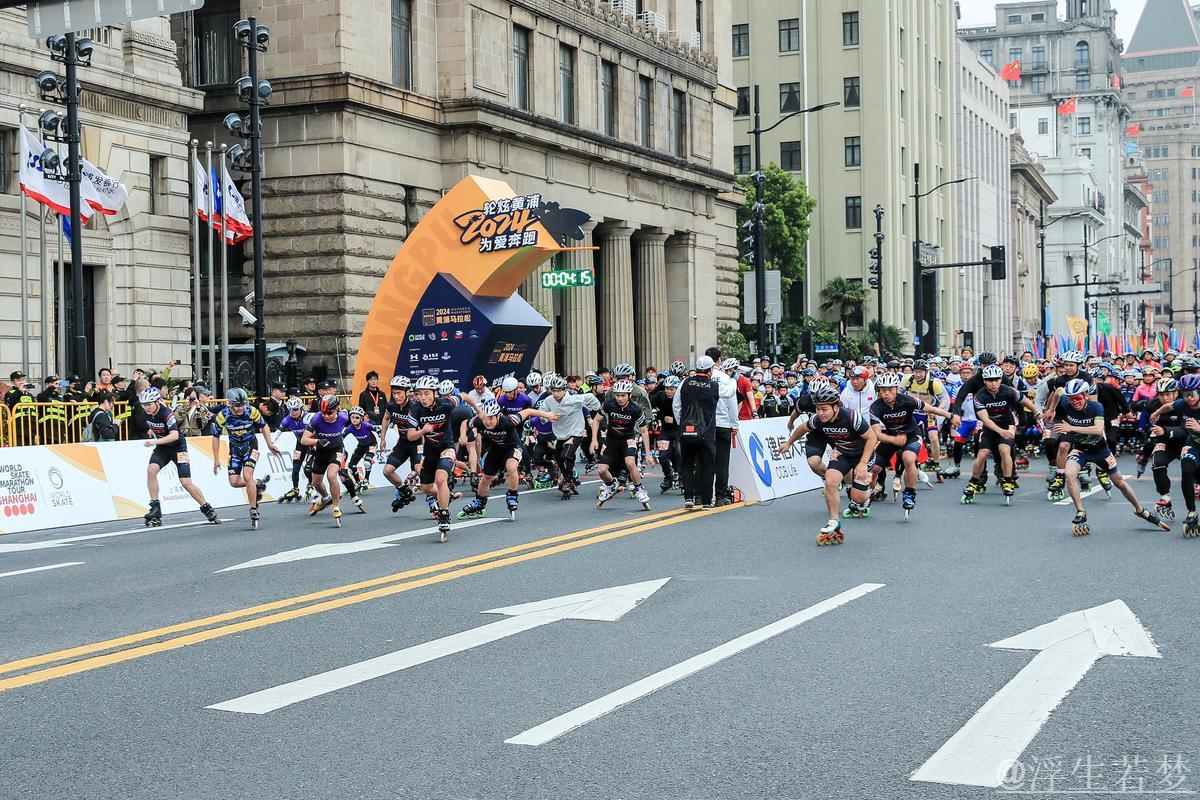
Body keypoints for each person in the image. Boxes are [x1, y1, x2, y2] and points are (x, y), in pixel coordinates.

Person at [1056, 378, 1169, 536]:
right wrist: (1049, 409)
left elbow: (1097, 429)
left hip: (1101, 451)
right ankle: (1080, 511)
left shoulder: (1096, 407)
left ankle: (1140, 509)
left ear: (1086, 396)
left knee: (1120, 483)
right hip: (1081, 450)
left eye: (1078, 398)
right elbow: (1059, 391)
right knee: (1069, 474)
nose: (1074, 402)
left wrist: (1070, 427)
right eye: (1071, 398)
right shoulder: (1065, 403)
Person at [777, 385, 879, 545]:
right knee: (830, 483)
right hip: (843, 454)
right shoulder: (818, 420)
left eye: (824, 409)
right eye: (817, 409)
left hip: (862, 456)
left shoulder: (852, 417)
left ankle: (867, 494)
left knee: (857, 497)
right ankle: (834, 521)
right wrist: (789, 443)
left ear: (835, 406)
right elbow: (803, 428)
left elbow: (872, 438)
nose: (820, 413)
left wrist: (863, 464)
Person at [458, 400, 558, 520]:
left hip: (513, 446)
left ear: (498, 416)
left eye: (491, 418)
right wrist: (463, 435)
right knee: (486, 478)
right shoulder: (479, 421)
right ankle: (479, 502)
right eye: (485, 418)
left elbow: (528, 411)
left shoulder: (509, 420)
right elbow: (464, 423)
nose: (487, 422)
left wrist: (548, 415)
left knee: (511, 468)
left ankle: (512, 495)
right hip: (496, 448)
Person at [870, 373, 951, 516]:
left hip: (912, 435)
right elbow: (877, 433)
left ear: (896, 389)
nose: (887, 393)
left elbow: (931, 409)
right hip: (891, 438)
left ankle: (909, 493)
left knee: (908, 458)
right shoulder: (875, 407)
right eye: (883, 390)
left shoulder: (907, 400)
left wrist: (950, 416)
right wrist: (894, 440)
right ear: (879, 391)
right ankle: (874, 490)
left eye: (890, 390)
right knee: (874, 468)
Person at [139, 387, 219, 527]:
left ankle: (206, 507)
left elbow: (175, 435)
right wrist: (153, 430)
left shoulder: (167, 413)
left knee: (186, 482)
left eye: (149, 404)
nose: (146, 408)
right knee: (151, 471)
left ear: (157, 402)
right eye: (144, 405)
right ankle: (155, 507)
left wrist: (155, 441)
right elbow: (154, 423)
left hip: (178, 447)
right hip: (163, 448)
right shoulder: (146, 413)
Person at [962, 365, 1035, 504]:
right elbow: (985, 419)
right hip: (990, 427)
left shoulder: (1009, 391)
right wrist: (1001, 432)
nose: (993, 383)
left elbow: (1025, 401)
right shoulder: (980, 396)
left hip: (1007, 423)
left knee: (1004, 450)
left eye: (996, 380)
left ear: (1001, 380)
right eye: (990, 380)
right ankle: (973, 482)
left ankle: (1007, 480)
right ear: (984, 381)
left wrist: (1037, 412)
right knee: (982, 454)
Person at [211, 387, 282, 528]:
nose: (240, 408)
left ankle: (253, 509)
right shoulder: (223, 415)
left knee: (247, 475)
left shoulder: (251, 411)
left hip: (250, 446)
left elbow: (264, 426)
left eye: (243, 404)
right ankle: (257, 484)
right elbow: (215, 437)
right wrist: (216, 459)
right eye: (237, 405)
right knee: (234, 482)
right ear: (229, 404)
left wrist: (269, 444)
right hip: (235, 450)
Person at [406, 375, 459, 541]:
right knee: (427, 488)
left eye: (427, 393)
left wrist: (478, 411)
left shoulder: (446, 403)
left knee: (441, 479)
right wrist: (422, 431)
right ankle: (446, 496)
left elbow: (463, 397)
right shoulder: (415, 409)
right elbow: (410, 436)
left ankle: (444, 515)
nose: (423, 397)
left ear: (435, 393)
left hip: (447, 447)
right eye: (420, 394)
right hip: (430, 452)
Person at [594, 379, 655, 510]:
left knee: (630, 463)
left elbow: (644, 431)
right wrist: (594, 439)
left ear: (629, 395)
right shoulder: (609, 404)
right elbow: (596, 420)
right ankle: (611, 485)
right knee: (601, 470)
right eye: (617, 395)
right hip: (611, 439)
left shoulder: (635, 409)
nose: (620, 398)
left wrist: (648, 453)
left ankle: (639, 489)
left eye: (623, 395)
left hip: (628, 439)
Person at [540, 374, 602, 499]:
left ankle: (567, 481)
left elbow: (590, 397)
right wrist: (547, 417)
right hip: (560, 434)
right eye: (554, 390)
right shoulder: (548, 400)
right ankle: (569, 477)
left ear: (565, 390)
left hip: (576, 432)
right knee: (558, 457)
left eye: (559, 391)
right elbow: (541, 413)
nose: (556, 394)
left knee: (566, 455)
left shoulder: (574, 399)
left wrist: (596, 409)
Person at [674, 356, 719, 509]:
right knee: (707, 466)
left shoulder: (685, 382)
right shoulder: (713, 385)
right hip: (707, 432)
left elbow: (677, 405)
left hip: (687, 429)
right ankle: (706, 501)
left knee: (687, 463)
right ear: (710, 369)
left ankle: (688, 497)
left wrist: (682, 424)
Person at [300, 395, 353, 526]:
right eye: (323, 412)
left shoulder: (344, 417)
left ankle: (336, 506)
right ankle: (325, 497)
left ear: (337, 409)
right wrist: (317, 441)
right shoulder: (317, 418)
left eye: (329, 412)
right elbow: (303, 439)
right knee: (316, 483)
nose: (326, 416)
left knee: (331, 475)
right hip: (321, 452)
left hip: (337, 450)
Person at [379, 376, 421, 512]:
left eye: (399, 393)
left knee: (421, 472)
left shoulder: (415, 408)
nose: (396, 396)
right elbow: (385, 419)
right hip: (402, 444)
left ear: (407, 392)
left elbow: (424, 430)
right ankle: (403, 490)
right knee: (387, 471)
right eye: (394, 393)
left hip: (416, 444)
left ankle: (435, 502)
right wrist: (382, 439)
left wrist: (425, 449)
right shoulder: (392, 405)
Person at [708, 352, 739, 505]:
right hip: (723, 424)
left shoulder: (698, 379)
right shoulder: (727, 379)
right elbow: (732, 404)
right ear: (719, 360)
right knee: (722, 462)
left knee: (704, 461)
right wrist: (735, 424)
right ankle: (720, 496)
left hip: (705, 425)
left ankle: (701, 496)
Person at [274, 397, 311, 503]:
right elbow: (277, 433)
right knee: (295, 470)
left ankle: (310, 484)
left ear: (301, 409)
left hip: (311, 445)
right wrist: (271, 443)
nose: (293, 412)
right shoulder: (287, 420)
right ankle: (295, 489)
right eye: (290, 410)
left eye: (295, 409)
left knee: (308, 468)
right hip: (299, 445)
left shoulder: (308, 417)